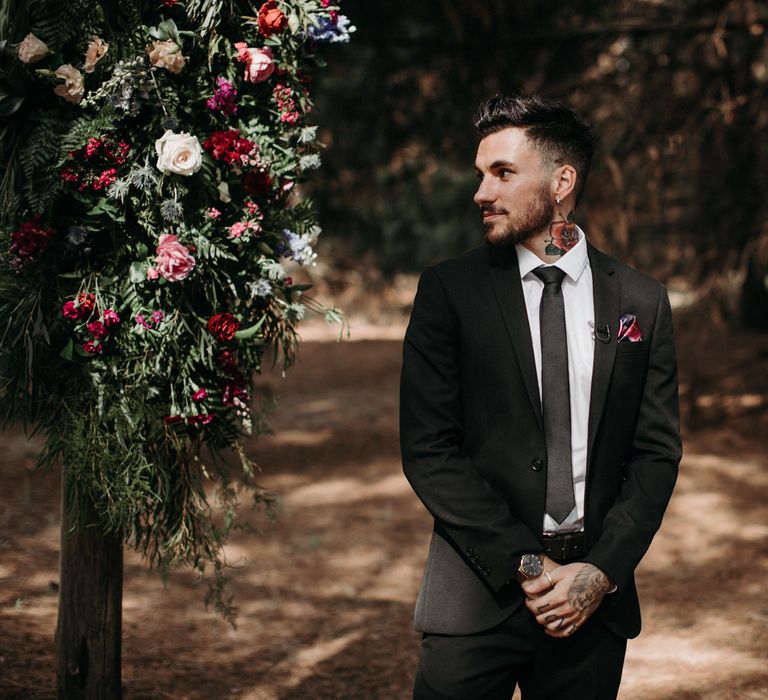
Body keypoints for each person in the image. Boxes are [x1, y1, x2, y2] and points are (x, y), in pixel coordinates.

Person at [399, 93, 682, 700]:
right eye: (480, 174)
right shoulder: (450, 293)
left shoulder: (641, 301)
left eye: (502, 173)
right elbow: (429, 449)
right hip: (476, 592)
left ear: (562, 181)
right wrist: (528, 566)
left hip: (591, 602)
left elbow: (656, 454)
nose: (481, 192)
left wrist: (600, 573)